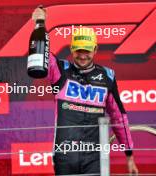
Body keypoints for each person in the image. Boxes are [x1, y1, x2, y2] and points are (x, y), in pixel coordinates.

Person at [32, 7, 139, 175]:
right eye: (78, 50)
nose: (83, 56)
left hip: (94, 157)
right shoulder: (59, 70)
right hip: (64, 155)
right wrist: (39, 23)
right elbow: (40, 51)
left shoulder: (107, 76)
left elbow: (119, 117)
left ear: (95, 50)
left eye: (87, 51)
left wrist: (129, 155)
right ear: (72, 49)